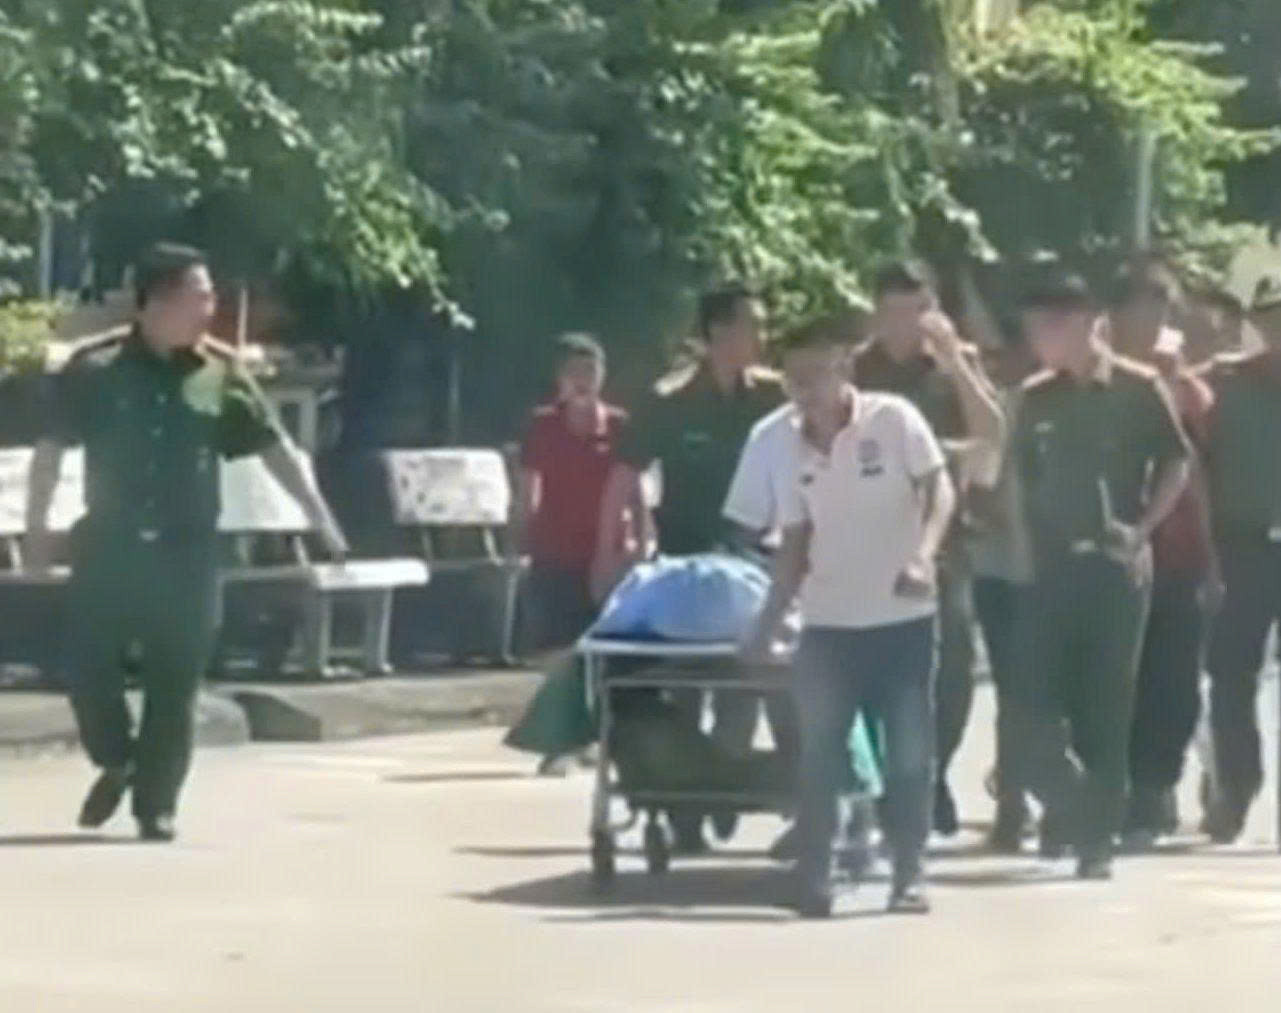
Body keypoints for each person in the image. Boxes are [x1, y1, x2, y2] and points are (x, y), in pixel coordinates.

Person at [24, 243, 348, 842]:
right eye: (199, 296)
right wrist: (37, 529)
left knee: (174, 684)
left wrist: (321, 520)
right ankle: (116, 758)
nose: (209, 308)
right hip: (111, 546)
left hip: (187, 551)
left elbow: (273, 448)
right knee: (88, 669)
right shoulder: (96, 371)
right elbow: (50, 452)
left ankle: (157, 804)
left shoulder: (216, 374)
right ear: (156, 301)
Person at [742, 316, 955, 917]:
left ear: (844, 369)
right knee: (820, 754)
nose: (805, 391)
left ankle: (908, 874)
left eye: (816, 375)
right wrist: (767, 622)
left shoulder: (894, 420)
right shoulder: (783, 444)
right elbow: (795, 540)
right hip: (828, 625)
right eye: (794, 379)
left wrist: (923, 554)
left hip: (902, 618)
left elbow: (939, 490)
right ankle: (815, 876)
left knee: (909, 754)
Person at [1010, 270, 1191, 880]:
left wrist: (1143, 529)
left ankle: (1097, 839)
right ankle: (1071, 806)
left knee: (1107, 707)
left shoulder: (1138, 388)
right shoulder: (1035, 397)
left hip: (1115, 568)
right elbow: (1020, 478)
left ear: (1088, 324)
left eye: (1051, 327)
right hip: (1051, 568)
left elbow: (1176, 462)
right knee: (1033, 708)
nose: (1040, 339)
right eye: (1034, 328)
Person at [596, 282, 785, 853]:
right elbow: (624, 477)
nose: (760, 338)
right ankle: (685, 804)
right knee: (684, 685)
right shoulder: (671, 400)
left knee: (745, 681)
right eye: (750, 326)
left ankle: (724, 783)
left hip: (752, 564)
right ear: (717, 333)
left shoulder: (773, 399)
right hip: (685, 568)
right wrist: (608, 552)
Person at [852, 261, 1004, 836]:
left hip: (942, 540)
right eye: (894, 312)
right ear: (876, 314)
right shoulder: (856, 370)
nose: (906, 325)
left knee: (954, 661)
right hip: (865, 536)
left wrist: (956, 363)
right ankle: (883, 783)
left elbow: (993, 435)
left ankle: (932, 772)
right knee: (870, 664)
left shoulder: (952, 366)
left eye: (917, 311)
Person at [1106, 265, 1221, 849]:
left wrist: (1216, 559)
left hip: (1178, 555)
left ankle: (1153, 789)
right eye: (1140, 309)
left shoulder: (1188, 393)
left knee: (1171, 680)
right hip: (1108, 555)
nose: (1151, 323)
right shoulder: (1096, 385)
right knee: (1110, 678)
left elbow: (1207, 476)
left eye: (1161, 311)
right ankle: (1113, 789)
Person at [1197, 276, 1281, 844]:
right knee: (1231, 674)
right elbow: (1197, 465)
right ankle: (1235, 786)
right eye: (1271, 319)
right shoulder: (1224, 385)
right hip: (1242, 545)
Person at [968, 329, 1041, 853]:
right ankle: (1013, 801)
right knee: (1016, 693)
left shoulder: (1057, 404)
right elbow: (979, 487)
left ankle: (1035, 794)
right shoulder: (994, 411)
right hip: (1003, 572)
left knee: (1042, 693)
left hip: (1053, 572)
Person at [516, 333, 630, 654]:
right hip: (554, 552)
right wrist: (521, 540)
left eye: (590, 371)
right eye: (574, 372)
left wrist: (633, 545)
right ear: (560, 378)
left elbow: (634, 491)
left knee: (605, 648)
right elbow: (527, 490)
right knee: (553, 646)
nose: (583, 381)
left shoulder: (619, 426)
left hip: (605, 553)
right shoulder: (542, 425)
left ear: (602, 375)